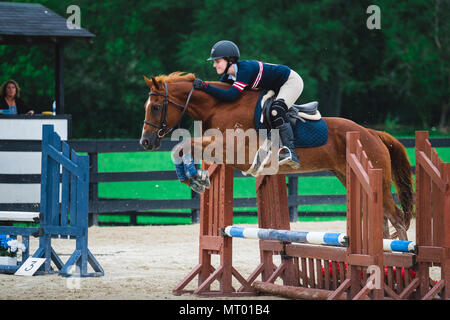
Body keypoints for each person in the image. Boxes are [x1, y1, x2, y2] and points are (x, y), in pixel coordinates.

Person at [193, 40, 303, 169]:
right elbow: (221, 95)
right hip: (274, 87)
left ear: (230, 61)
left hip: (290, 82)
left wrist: (205, 86)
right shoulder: (229, 77)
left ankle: (291, 153)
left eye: (217, 61)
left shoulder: (245, 70)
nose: (214, 65)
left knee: (276, 110)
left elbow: (231, 95)